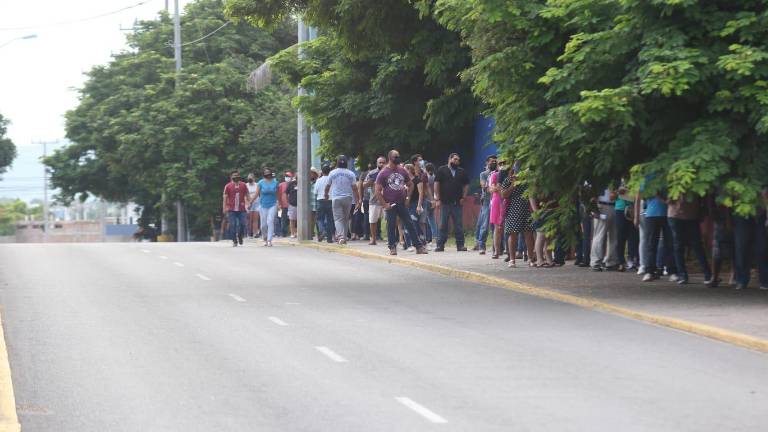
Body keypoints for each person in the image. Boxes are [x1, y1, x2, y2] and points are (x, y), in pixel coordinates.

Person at [375, 150, 428, 255]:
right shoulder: (383, 173)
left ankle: (418, 246)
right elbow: (377, 190)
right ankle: (392, 247)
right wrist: (384, 204)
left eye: (398, 156)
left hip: (402, 202)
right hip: (390, 204)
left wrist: (408, 197)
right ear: (390, 158)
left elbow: (410, 184)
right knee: (391, 225)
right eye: (395, 157)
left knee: (410, 224)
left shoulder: (402, 170)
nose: (398, 159)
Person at [666, 193, 711, 285]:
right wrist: (666, 200)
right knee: (679, 245)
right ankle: (682, 275)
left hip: (692, 215)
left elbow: (703, 196)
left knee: (697, 245)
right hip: (675, 215)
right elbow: (658, 191)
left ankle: (708, 274)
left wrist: (702, 211)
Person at [433, 153, 470, 252]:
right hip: (444, 202)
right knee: (443, 224)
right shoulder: (441, 170)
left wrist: (464, 197)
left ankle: (460, 245)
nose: (456, 161)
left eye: (458, 160)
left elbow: (466, 185)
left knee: (458, 225)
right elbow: (436, 184)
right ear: (449, 159)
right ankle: (440, 245)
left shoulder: (461, 171)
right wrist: (437, 198)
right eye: (455, 159)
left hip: (457, 203)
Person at [501, 165, 535, 267]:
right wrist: (513, 185)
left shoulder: (528, 181)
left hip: (527, 209)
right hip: (513, 210)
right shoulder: (508, 180)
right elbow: (503, 195)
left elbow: (532, 194)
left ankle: (530, 258)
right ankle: (512, 259)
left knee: (528, 233)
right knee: (513, 234)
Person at [325, 155, 360, 244]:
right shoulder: (351, 173)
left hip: (336, 198)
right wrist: (358, 200)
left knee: (338, 219)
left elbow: (328, 185)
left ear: (337, 163)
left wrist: (326, 194)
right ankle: (344, 237)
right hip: (348, 198)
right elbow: (355, 188)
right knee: (345, 218)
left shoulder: (332, 173)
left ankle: (340, 237)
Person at [590, 186, 620, 271]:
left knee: (614, 236)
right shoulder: (599, 179)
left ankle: (611, 262)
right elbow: (591, 193)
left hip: (614, 206)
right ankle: (595, 262)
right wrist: (593, 210)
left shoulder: (615, 178)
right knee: (599, 235)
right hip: (602, 206)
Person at [474, 155, 497, 254]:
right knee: (485, 224)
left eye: (495, 161)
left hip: (496, 200)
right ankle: (482, 245)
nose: (493, 163)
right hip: (487, 201)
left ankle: (496, 247)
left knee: (496, 225)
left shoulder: (498, 173)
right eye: (491, 161)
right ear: (487, 163)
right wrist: (492, 188)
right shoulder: (483, 174)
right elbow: (484, 186)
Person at [222, 170, 249, 247]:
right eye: (234, 176)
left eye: (237, 175)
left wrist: (249, 203)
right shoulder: (228, 186)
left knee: (243, 224)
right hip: (231, 209)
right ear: (231, 177)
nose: (236, 177)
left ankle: (240, 236)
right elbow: (225, 198)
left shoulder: (243, 185)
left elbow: (247, 195)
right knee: (232, 225)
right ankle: (234, 240)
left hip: (242, 208)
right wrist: (224, 208)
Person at [363, 156, 386, 245]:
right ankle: (373, 239)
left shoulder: (388, 172)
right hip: (374, 200)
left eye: (383, 162)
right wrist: (370, 181)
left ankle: (393, 238)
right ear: (377, 163)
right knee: (373, 221)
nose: (381, 164)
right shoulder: (372, 173)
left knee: (391, 220)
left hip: (387, 200)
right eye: (380, 162)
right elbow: (364, 185)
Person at [254, 168, 279, 247]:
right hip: (263, 205)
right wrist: (251, 201)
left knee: (270, 221)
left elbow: (277, 194)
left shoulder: (276, 182)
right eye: (266, 173)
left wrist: (279, 203)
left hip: (273, 204)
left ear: (271, 174)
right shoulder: (260, 183)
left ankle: (269, 240)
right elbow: (257, 193)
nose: (267, 174)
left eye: (269, 173)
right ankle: (264, 237)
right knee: (263, 225)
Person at [488, 160, 507, 259]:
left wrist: (498, 188)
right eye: (500, 164)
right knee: (497, 228)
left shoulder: (509, 175)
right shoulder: (495, 175)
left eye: (505, 163)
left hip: (507, 200)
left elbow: (497, 188)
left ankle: (508, 250)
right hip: (497, 201)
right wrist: (499, 188)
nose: (502, 166)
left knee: (507, 227)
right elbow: (491, 189)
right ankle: (496, 250)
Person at [314, 164, 334, 243]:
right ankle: (329, 238)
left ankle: (322, 231)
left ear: (322, 171)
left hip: (320, 200)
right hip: (330, 200)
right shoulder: (332, 180)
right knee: (330, 219)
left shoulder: (319, 180)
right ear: (330, 171)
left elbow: (315, 192)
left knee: (319, 218)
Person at [424, 162, 438, 244]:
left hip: (427, 199)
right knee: (432, 219)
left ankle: (427, 237)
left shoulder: (426, 177)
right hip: (433, 199)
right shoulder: (434, 176)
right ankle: (435, 237)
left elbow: (426, 189)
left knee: (424, 220)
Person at [277, 172, 292, 237]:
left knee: (292, 219)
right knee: (283, 219)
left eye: (288, 176)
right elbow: (278, 195)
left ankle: (292, 232)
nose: (287, 177)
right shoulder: (281, 185)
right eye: (286, 176)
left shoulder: (293, 184)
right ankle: (284, 233)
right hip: (284, 205)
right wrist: (279, 204)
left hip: (292, 205)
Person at [245, 173, 260, 238]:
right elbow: (244, 195)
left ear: (253, 178)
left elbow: (258, 194)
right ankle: (249, 233)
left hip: (256, 203)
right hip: (249, 204)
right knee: (249, 219)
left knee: (255, 219)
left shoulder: (257, 185)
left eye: (251, 178)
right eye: (248, 178)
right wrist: (247, 203)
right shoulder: (246, 185)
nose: (249, 179)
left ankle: (255, 233)